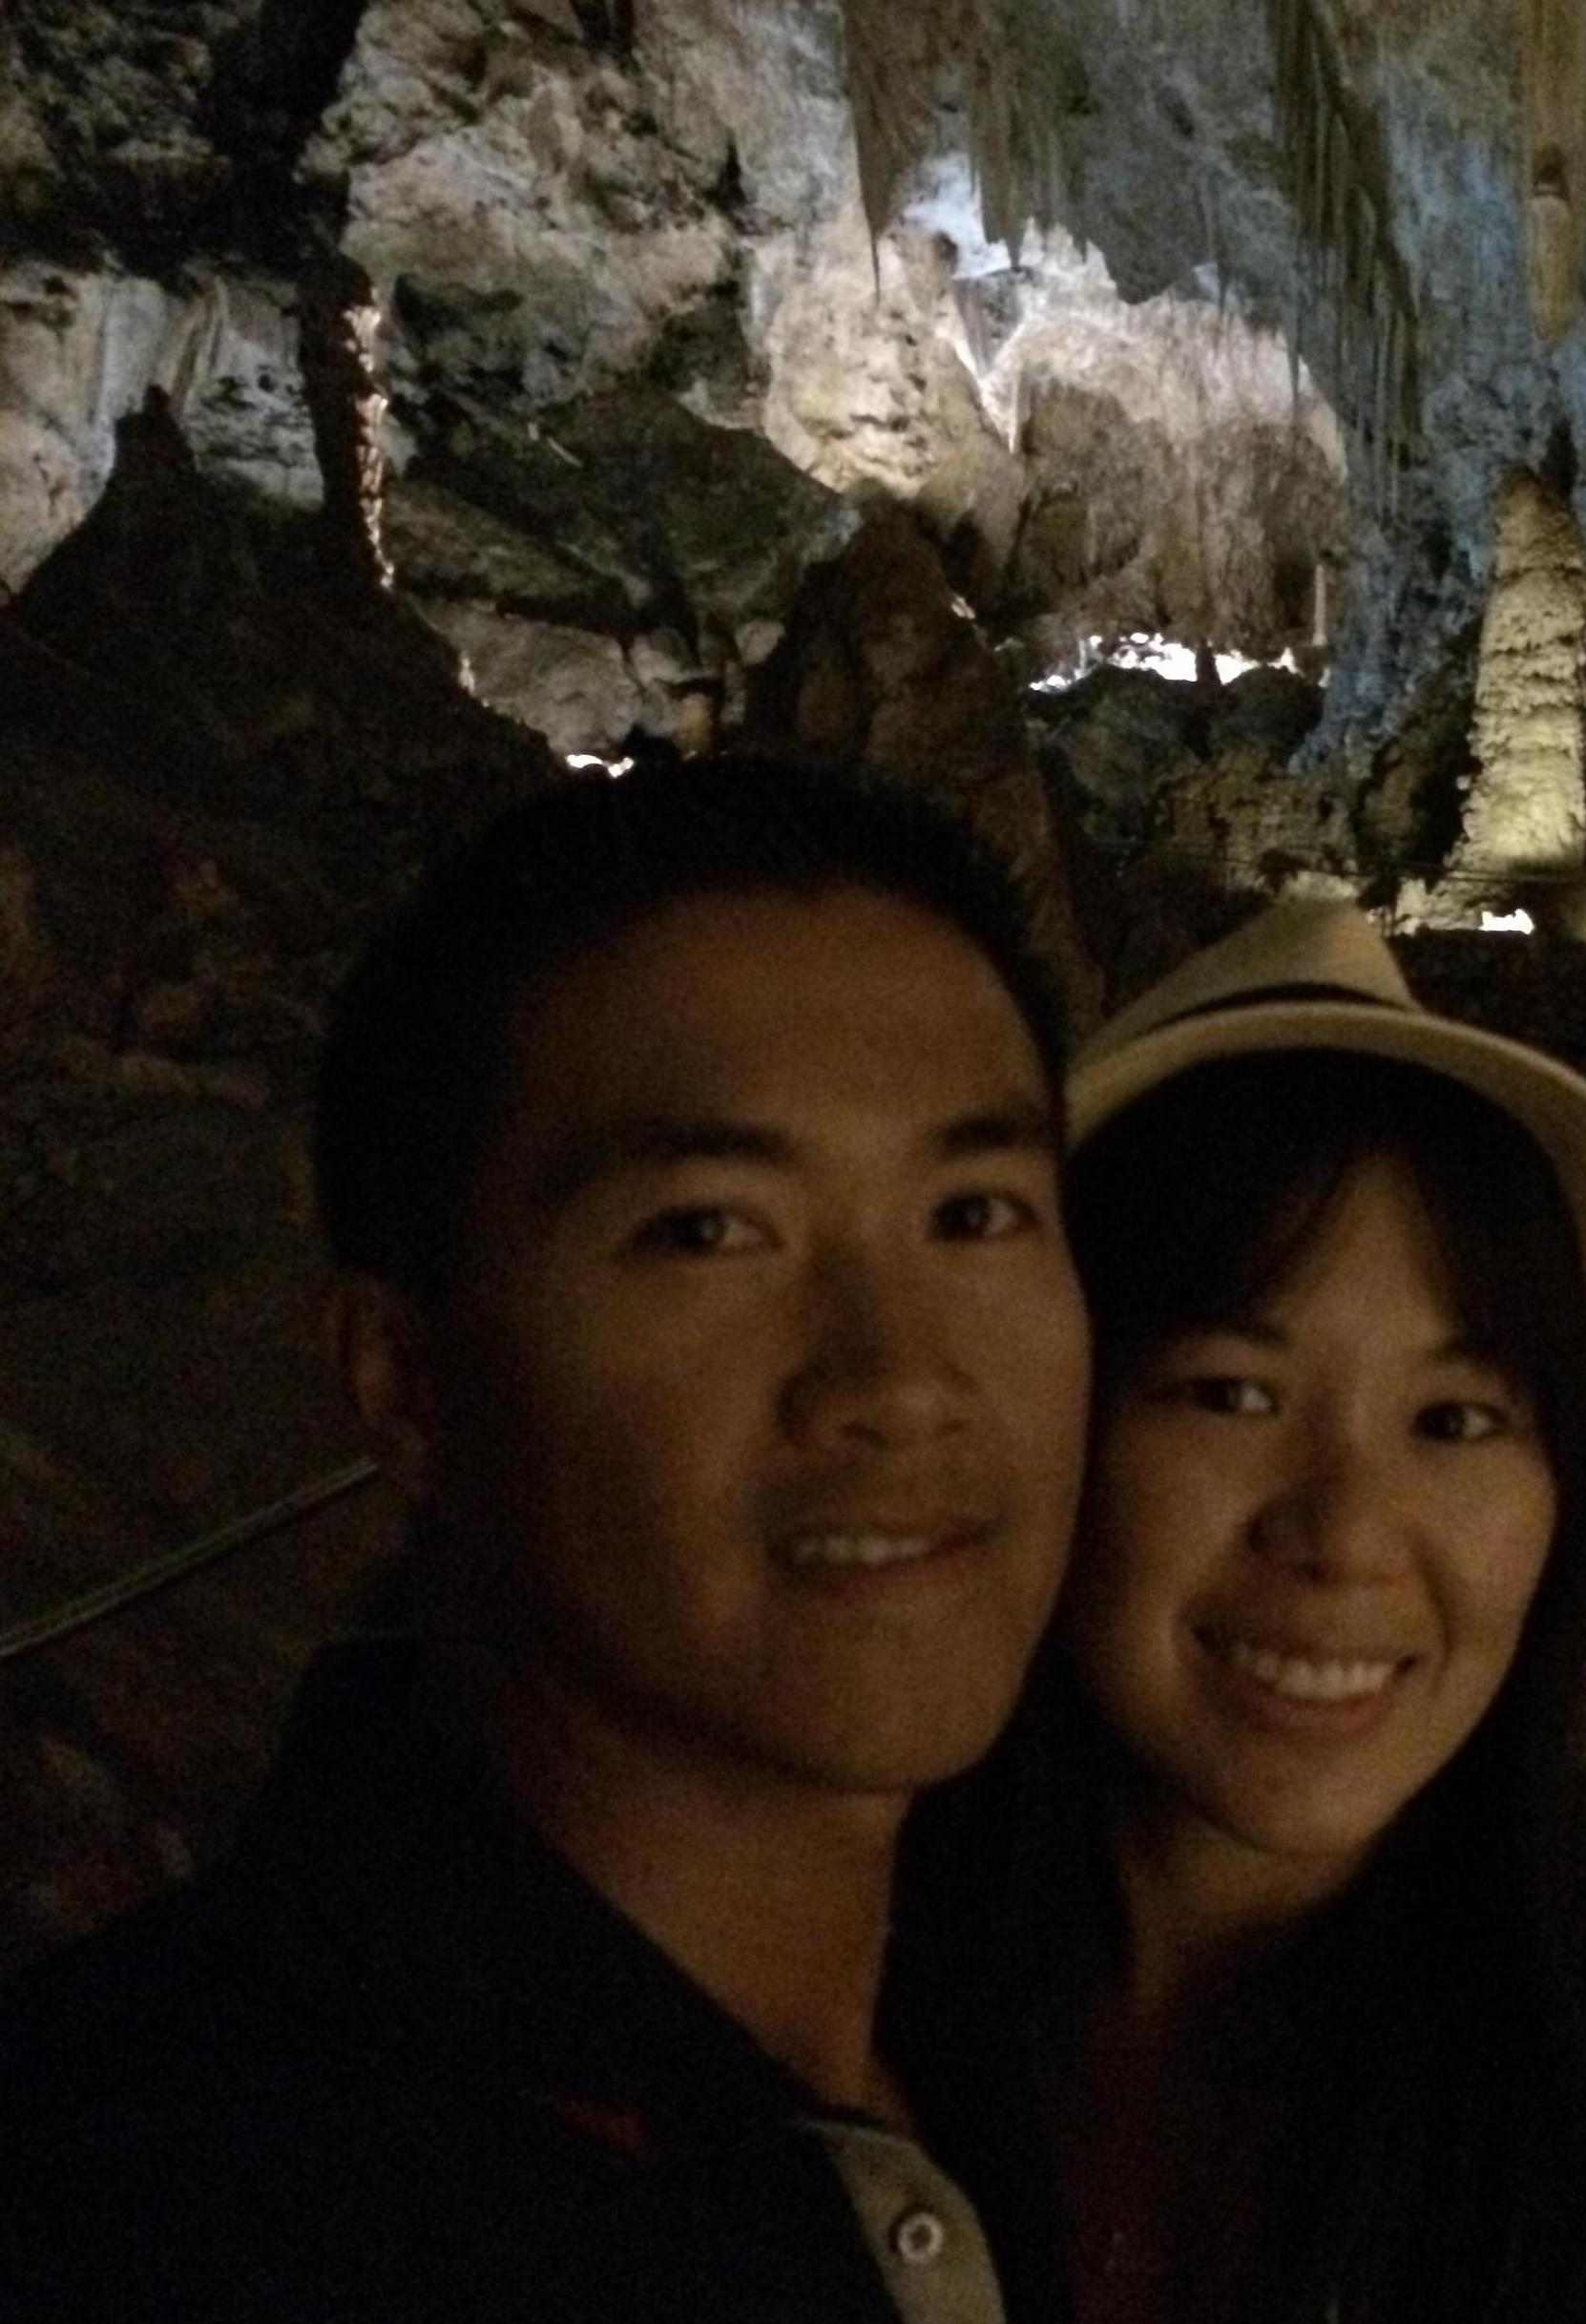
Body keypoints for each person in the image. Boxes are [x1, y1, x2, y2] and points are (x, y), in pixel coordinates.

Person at [0, 757, 1093, 2324]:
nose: (899, 1382)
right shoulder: (168, 2204)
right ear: (414, 1384)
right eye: (708, 1232)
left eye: (974, 1216)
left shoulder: (1003, 2031)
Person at [921, 897, 1586, 2324]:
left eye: (1455, 1418)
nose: (1346, 1536)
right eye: (1231, 1395)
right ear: (1049, 1424)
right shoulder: (800, 1995)